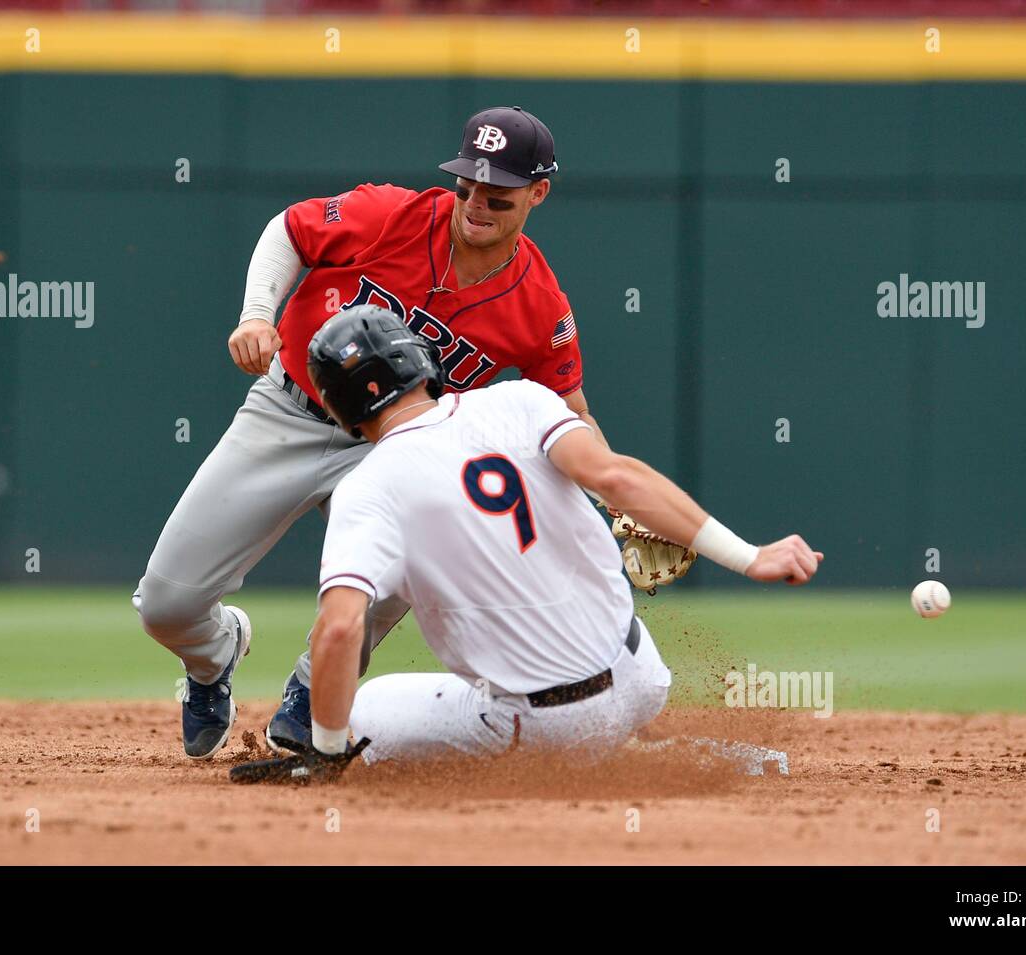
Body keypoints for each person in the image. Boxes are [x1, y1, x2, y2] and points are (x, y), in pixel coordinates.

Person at [133, 106, 606, 759]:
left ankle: (312, 688)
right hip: (291, 410)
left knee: (422, 543)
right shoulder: (393, 214)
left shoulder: (539, 303)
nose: (476, 201)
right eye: (468, 183)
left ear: (537, 193)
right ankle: (215, 656)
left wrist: (621, 498)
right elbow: (290, 231)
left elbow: (568, 410)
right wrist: (257, 314)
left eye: (498, 193)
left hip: (398, 446)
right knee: (165, 603)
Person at [252, 305, 823, 778]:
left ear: (338, 407)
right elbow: (617, 477)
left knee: (367, 711)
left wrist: (326, 753)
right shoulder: (518, 400)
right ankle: (672, 758)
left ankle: (595, 761)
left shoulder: (367, 488)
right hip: (641, 675)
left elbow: (341, 628)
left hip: (545, 726)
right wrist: (751, 556)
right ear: (417, 359)